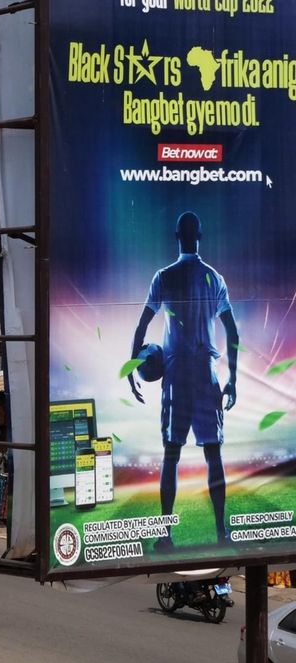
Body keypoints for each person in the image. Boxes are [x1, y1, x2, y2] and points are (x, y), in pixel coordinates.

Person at [127, 211, 238, 549]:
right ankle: (221, 533)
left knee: (171, 454)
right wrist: (233, 378)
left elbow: (142, 325)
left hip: (176, 375)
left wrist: (133, 370)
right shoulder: (214, 277)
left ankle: (165, 535)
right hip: (205, 373)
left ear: (177, 236)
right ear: (199, 235)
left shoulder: (164, 276)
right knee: (213, 454)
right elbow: (232, 330)